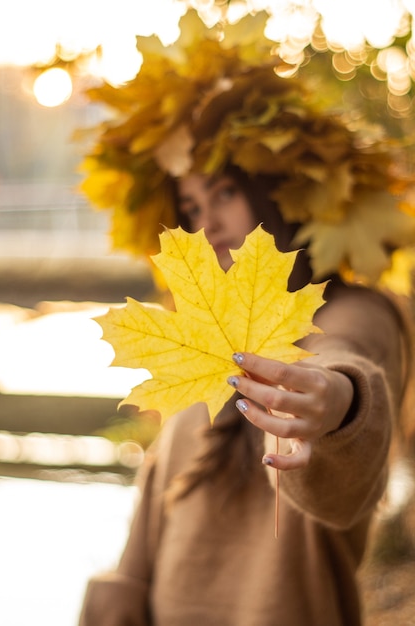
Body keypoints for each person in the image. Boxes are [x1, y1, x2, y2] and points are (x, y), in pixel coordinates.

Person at [77, 10, 414, 626]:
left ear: (280, 189)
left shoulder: (352, 309)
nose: (207, 220)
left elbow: (349, 361)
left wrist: (334, 402)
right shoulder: (203, 332)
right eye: (190, 204)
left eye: (226, 192)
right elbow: (155, 503)